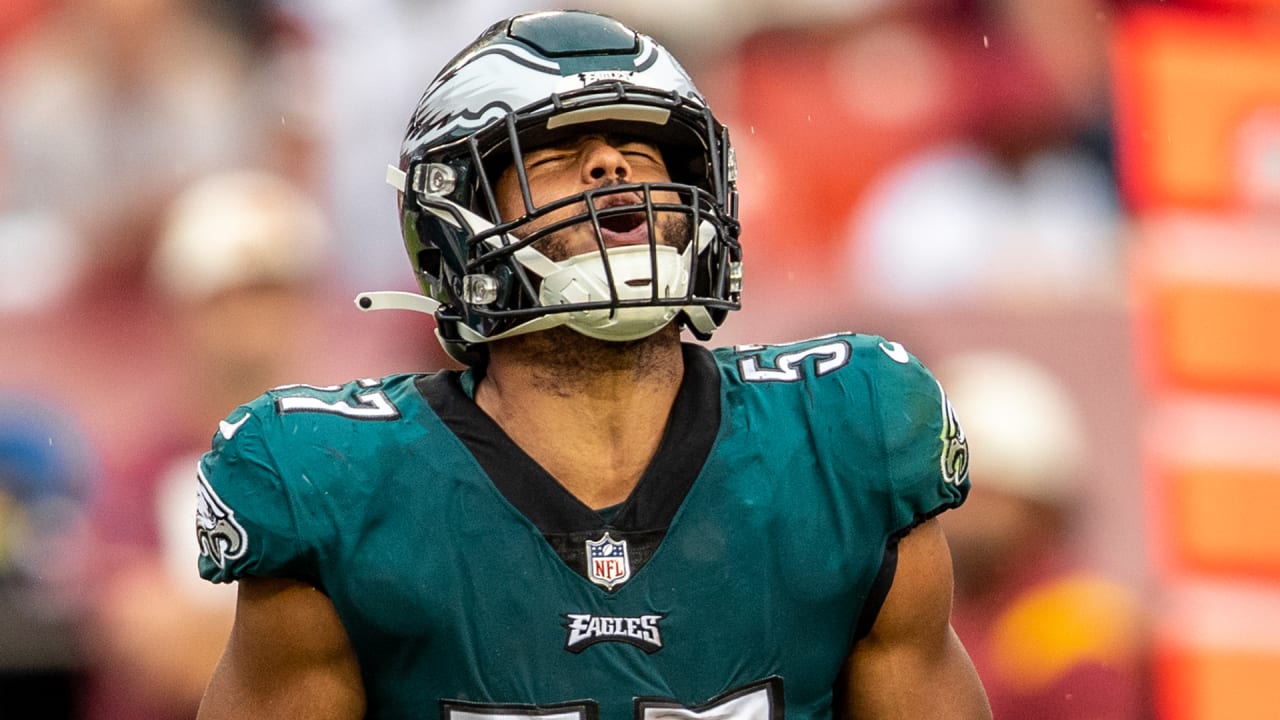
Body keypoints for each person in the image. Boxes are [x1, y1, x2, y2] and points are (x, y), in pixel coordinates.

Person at [193, 10, 992, 719]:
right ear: (454, 218)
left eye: (642, 148)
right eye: (556, 153)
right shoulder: (336, 483)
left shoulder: (839, 440)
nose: (613, 166)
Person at [935, 351, 1149, 719]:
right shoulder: (956, 611)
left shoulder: (1082, 625)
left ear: (1038, 507)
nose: (953, 513)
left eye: (980, 495)